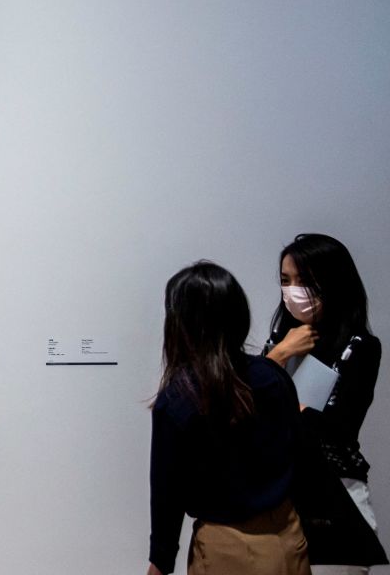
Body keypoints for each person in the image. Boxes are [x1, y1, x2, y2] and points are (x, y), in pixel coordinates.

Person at [147, 262, 310, 575]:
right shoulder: (272, 377)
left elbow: (168, 493)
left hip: (228, 548)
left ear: (180, 324)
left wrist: (160, 562)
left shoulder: (180, 399)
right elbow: (299, 456)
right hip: (289, 536)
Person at [264, 234, 387, 573]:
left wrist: (287, 415)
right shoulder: (277, 346)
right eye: (286, 281)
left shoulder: (359, 346)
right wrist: (279, 354)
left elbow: (336, 426)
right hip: (278, 502)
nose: (293, 290)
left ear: (332, 282)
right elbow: (248, 413)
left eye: (304, 280)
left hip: (335, 499)